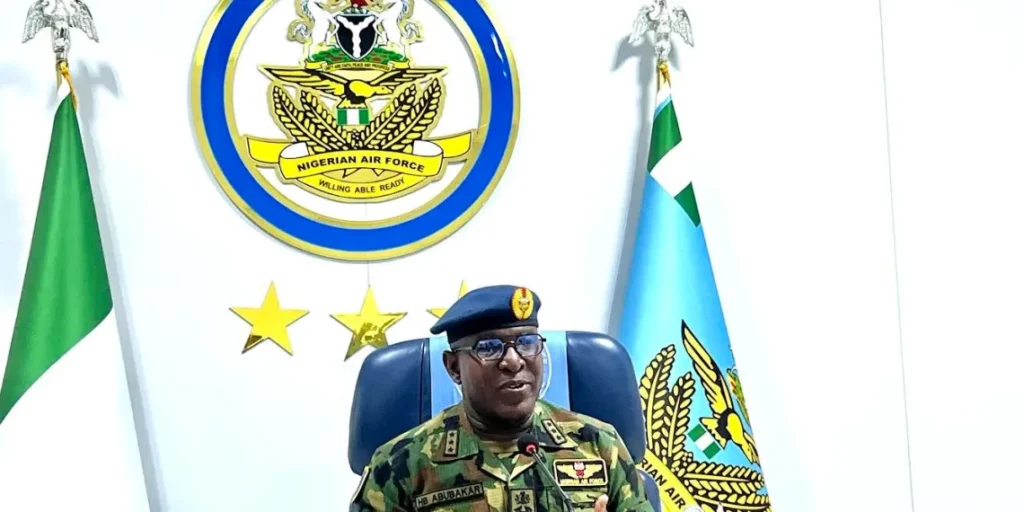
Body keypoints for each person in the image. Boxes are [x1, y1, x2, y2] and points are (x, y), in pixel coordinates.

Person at [350, 285, 654, 512]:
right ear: (453, 367)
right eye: (488, 347)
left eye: (527, 342)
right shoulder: (400, 463)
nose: (513, 361)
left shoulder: (599, 445)